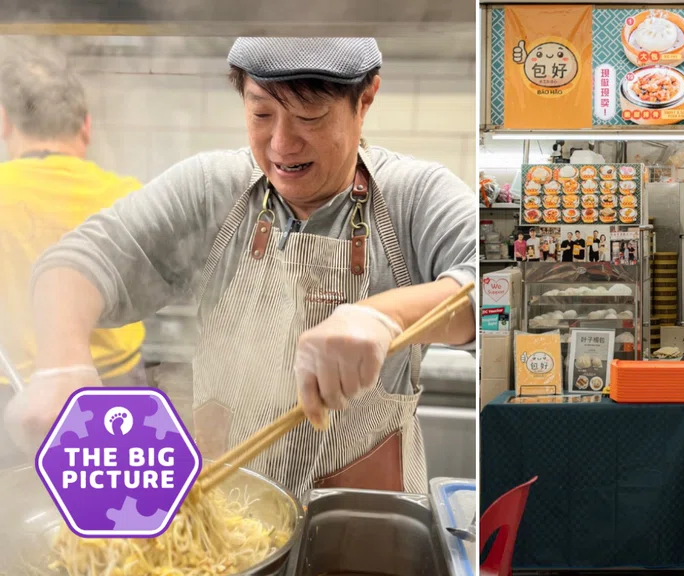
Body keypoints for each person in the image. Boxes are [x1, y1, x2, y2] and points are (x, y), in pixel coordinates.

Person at [4, 38, 477, 497]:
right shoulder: (214, 187)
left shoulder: (415, 196)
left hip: (357, 523)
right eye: (261, 114)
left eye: (309, 116)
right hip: (222, 515)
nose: (281, 144)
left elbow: (497, 289)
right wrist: (60, 364)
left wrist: (385, 316)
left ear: (366, 98)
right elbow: (81, 258)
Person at [0, 56, 148, 465]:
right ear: (85, 125)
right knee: (116, 511)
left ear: (5, 123)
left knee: (19, 518)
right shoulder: (129, 195)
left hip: (19, 399)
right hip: (117, 393)